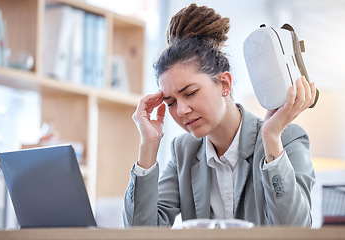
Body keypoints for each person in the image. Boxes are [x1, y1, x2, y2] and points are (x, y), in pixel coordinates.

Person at [123, 3, 316, 227]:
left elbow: (296, 230)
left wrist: (271, 138)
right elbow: (140, 232)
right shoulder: (183, 152)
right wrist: (148, 145)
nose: (181, 110)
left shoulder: (288, 139)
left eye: (190, 93)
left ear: (224, 83)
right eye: (171, 102)